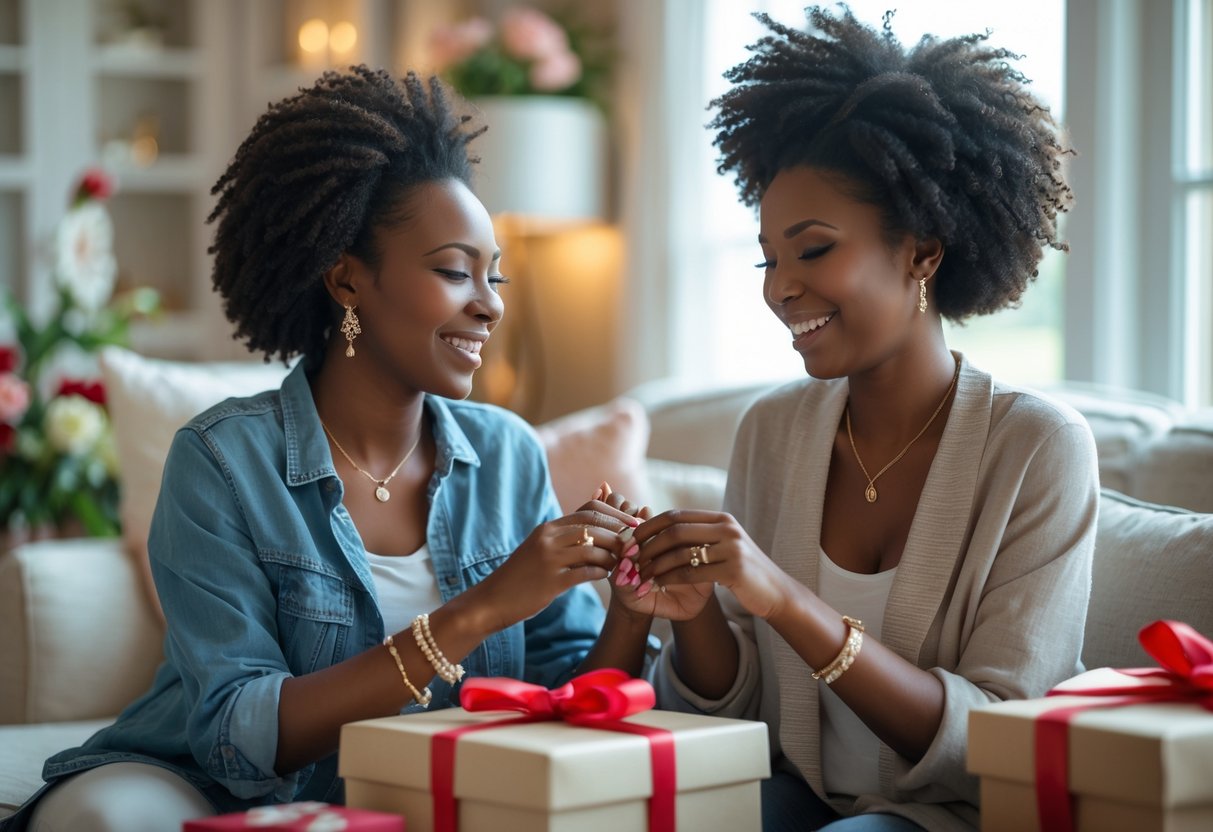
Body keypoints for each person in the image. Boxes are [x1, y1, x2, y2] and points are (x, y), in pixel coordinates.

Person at [3, 66, 652, 832]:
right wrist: (480, 610)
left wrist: (632, 608)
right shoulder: (221, 461)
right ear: (347, 283)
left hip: (425, 796)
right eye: (453, 271)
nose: (490, 303)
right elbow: (239, 731)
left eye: (495, 276)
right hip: (204, 786)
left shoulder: (505, 455)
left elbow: (573, 693)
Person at [602, 7, 1098, 831]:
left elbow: (998, 740)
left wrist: (784, 600)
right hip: (794, 797)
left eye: (813, 248)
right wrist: (697, 615)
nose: (777, 287)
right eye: (768, 257)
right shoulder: (771, 431)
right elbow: (736, 716)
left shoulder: (1036, 449)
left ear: (921, 252)